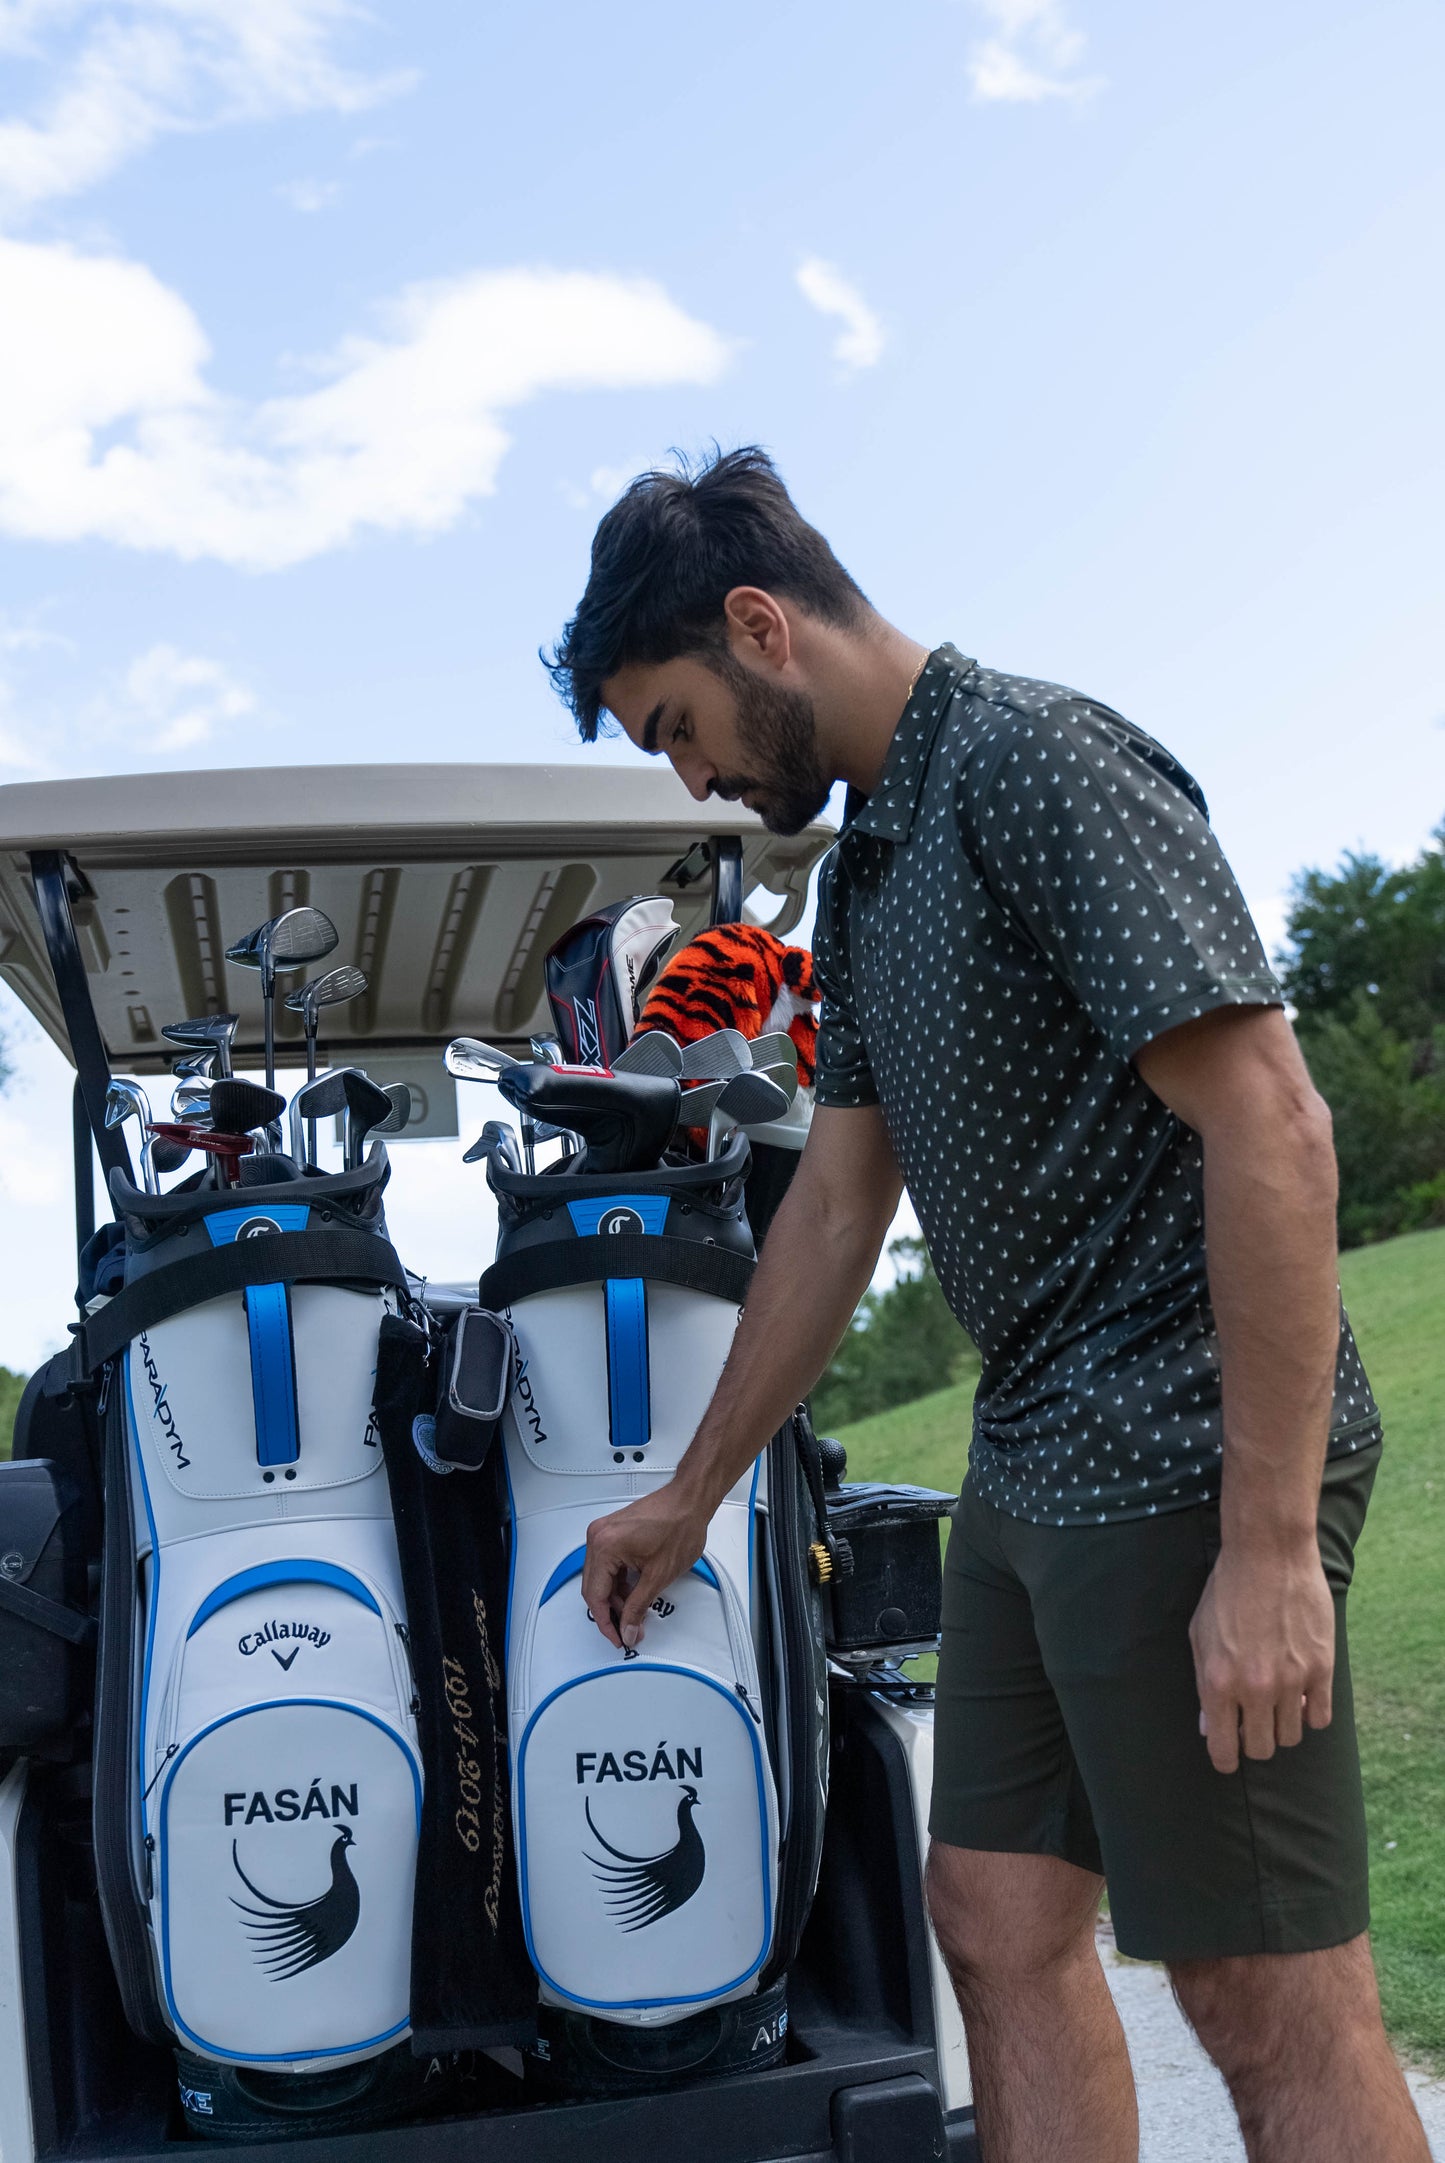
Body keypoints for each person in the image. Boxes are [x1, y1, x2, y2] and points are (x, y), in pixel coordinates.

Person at [544, 446, 1428, 2163]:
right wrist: (691, 1492)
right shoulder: (872, 872)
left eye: (676, 725)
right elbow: (829, 1211)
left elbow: (1274, 1125)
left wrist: (1262, 1549)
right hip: (1031, 1462)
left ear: (756, 628)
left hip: (1183, 1450)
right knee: (994, 1920)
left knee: (1262, 1994)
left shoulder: (1034, 762)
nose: (695, 776)